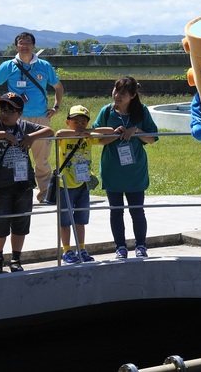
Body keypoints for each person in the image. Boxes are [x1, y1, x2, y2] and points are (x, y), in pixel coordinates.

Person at [0, 93, 54, 275]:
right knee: (0, 224)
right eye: (3, 108)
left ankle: (16, 259)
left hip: (23, 184)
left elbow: (49, 131)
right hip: (2, 185)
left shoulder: (24, 126)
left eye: (11, 110)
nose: (5, 113)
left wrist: (31, 137)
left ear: (19, 113)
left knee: (21, 223)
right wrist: (4, 135)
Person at [0, 32, 64, 203]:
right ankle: (14, 192)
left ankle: (45, 194)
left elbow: (58, 87)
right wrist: (3, 104)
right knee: (13, 157)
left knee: (41, 159)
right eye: (21, 43)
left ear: (34, 46)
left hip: (41, 117)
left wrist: (56, 107)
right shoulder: (8, 66)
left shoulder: (44, 65)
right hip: (15, 119)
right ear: (16, 46)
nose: (24, 45)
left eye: (28, 42)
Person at [92, 76, 158, 259]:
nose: (117, 95)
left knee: (137, 210)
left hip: (135, 171)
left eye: (122, 93)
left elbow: (152, 139)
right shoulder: (106, 112)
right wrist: (113, 135)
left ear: (133, 95)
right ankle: (120, 247)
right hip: (112, 169)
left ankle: (141, 246)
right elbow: (96, 139)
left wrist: (136, 131)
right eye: (115, 90)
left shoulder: (142, 111)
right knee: (116, 211)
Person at [54, 105, 112, 264]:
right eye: (76, 121)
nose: (80, 125)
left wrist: (89, 132)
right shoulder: (65, 137)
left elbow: (109, 132)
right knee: (65, 220)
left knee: (81, 219)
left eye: (83, 122)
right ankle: (66, 250)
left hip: (83, 184)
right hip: (65, 184)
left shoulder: (88, 137)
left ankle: (81, 248)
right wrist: (76, 133)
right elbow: (58, 133)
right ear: (68, 122)